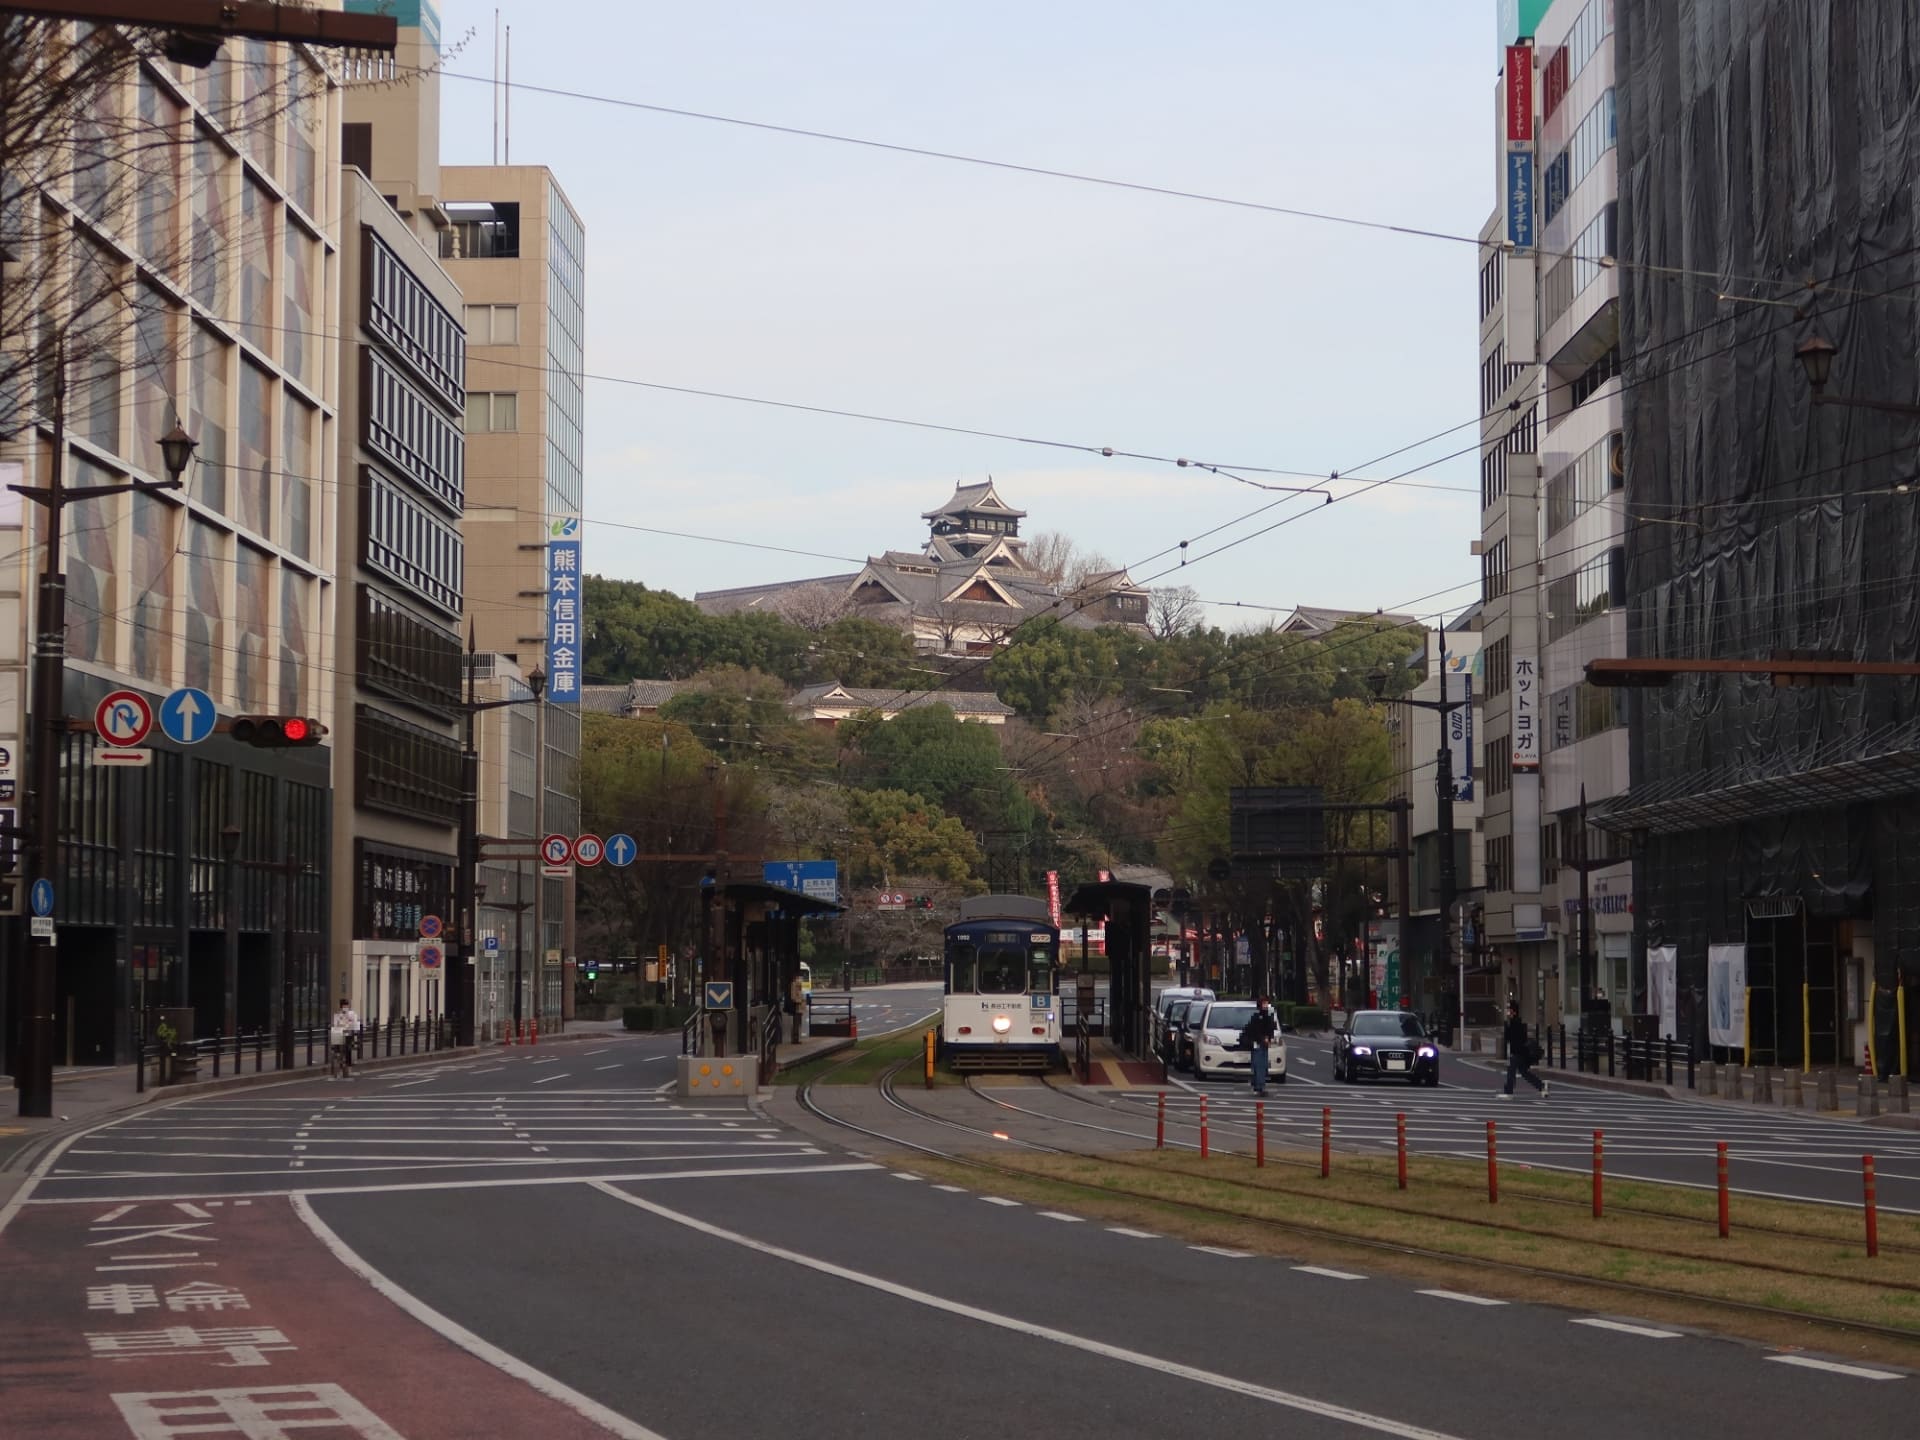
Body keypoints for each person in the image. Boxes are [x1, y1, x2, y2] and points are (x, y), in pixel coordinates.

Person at [1500, 1000, 1547, 1098]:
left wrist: (1506, 1027)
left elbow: (1509, 1038)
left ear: (1513, 1011)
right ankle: (1541, 1086)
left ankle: (1508, 1091)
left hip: (1518, 1052)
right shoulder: (1518, 1023)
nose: (1508, 1012)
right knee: (1524, 1072)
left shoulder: (1515, 1023)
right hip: (1522, 1053)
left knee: (1511, 1070)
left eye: (1509, 1010)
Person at [1240, 995, 1280, 1096]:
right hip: (1257, 1043)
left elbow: (1271, 1028)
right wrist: (1264, 1038)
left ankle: (1257, 1084)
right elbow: (1254, 1031)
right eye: (1264, 1003)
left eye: (1267, 1003)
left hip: (1262, 1044)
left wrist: (1269, 1038)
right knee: (1259, 1065)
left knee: (1260, 1065)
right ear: (1260, 1005)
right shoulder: (1257, 1017)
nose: (1266, 1005)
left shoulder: (1268, 1016)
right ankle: (1259, 1086)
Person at [330, 998, 361, 1080]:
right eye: (344, 1005)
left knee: (348, 1051)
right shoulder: (337, 1014)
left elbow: (355, 1023)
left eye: (346, 1005)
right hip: (339, 1034)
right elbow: (335, 1024)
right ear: (341, 1006)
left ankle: (348, 1068)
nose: (345, 1007)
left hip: (348, 1034)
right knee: (338, 1052)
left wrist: (355, 1031)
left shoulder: (352, 1014)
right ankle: (339, 1069)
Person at [787, 971, 806, 1044]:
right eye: (799, 977)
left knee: (797, 1023)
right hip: (797, 1006)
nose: (801, 979)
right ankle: (795, 1039)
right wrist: (799, 1001)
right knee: (796, 1022)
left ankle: (796, 1038)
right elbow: (794, 996)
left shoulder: (798, 985)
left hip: (799, 1006)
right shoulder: (795, 985)